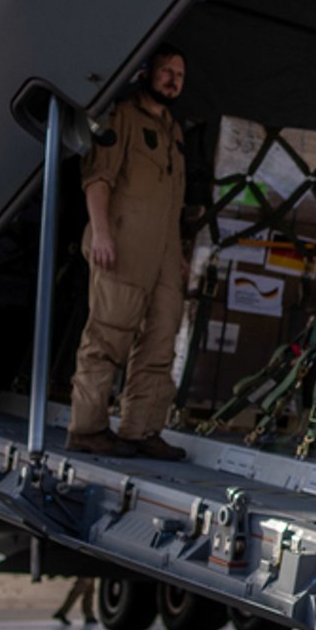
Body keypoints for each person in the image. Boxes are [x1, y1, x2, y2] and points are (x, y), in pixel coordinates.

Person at [67, 45, 190, 460]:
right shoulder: (121, 117)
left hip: (164, 255)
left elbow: (170, 200)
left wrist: (178, 255)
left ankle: (141, 430)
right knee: (107, 336)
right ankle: (88, 429)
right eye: (166, 71)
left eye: (179, 74)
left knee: (160, 342)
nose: (173, 79)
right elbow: (98, 178)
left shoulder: (174, 131)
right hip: (123, 245)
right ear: (147, 74)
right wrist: (100, 233)